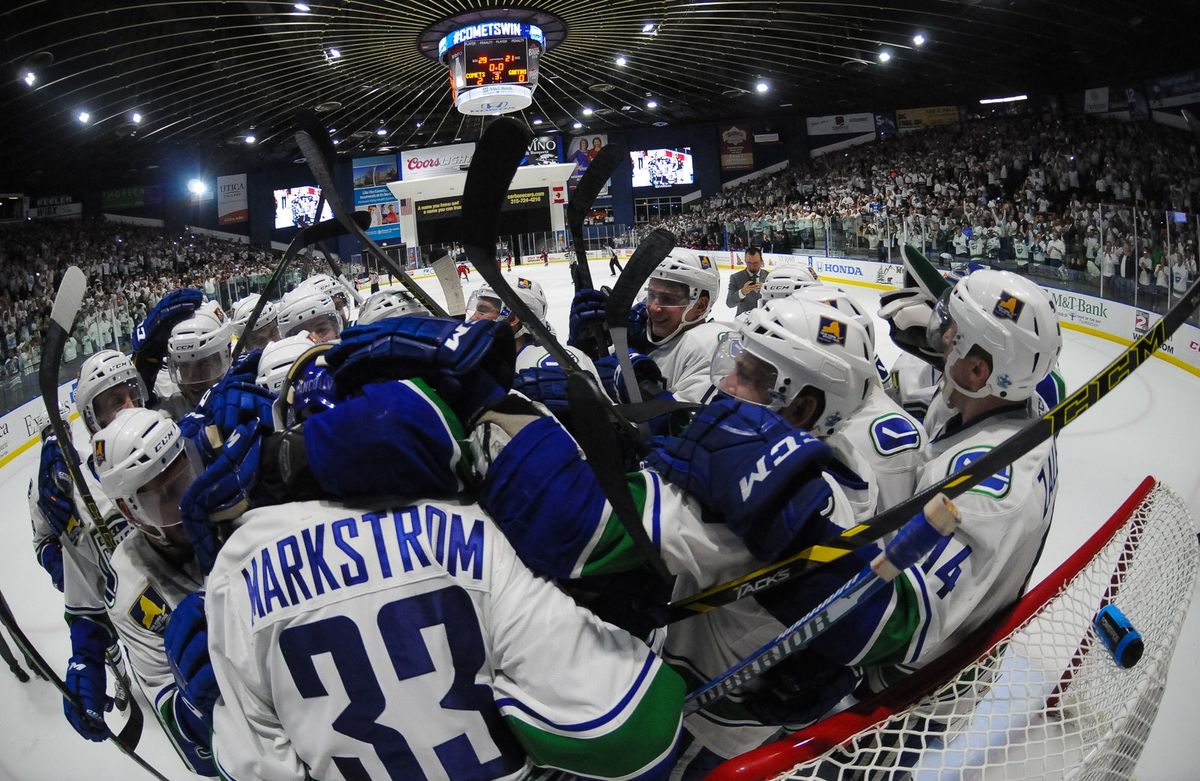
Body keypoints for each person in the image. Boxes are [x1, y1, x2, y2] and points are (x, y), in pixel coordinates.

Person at [725, 246, 766, 315]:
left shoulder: (769, 277)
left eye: (755, 263)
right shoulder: (735, 278)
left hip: (765, 321)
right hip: (743, 321)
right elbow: (729, 303)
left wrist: (767, 289)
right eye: (749, 263)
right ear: (745, 261)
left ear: (761, 261)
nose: (752, 266)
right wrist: (742, 292)